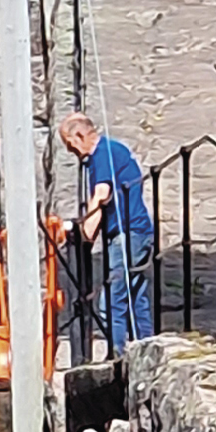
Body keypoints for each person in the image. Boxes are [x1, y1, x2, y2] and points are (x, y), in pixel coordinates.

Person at [59, 110, 153, 350]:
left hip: (128, 231)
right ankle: (147, 346)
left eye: (70, 144)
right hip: (134, 231)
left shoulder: (102, 153)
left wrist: (86, 233)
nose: (71, 151)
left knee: (111, 300)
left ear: (80, 136)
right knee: (134, 294)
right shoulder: (111, 150)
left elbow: (102, 194)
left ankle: (117, 354)